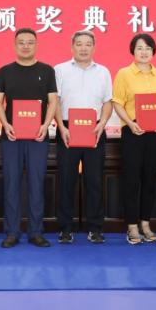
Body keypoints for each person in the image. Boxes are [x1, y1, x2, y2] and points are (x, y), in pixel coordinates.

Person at [0, 28, 58, 248]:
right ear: (15, 45)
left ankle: (35, 231)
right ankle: (12, 232)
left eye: (30, 42)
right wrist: (6, 124)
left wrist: (45, 125)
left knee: (36, 184)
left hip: (38, 137)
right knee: (11, 183)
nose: (25, 46)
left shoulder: (47, 71)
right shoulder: (4, 71)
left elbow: (53, 101)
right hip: (11, 136)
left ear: (36, 45)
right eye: (21, 42)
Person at [54, 31, 113, 244]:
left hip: (94, 129)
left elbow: (108, 102)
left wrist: (102, 124)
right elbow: (55, 101)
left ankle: (95, 228)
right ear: (72, 47)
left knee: (94, 181)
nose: (83, 48)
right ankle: (65, 228)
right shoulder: (60, 70)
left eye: (88, 44)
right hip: (68, 129)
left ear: (94, 48)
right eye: (79, 44)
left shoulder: (103, 72)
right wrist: (61, 126)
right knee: (66, 180)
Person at [111, 33, 156, 245]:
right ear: (132, 51)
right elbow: (117, 102)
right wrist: (129, 122)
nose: (144, 52)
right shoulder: (124, 74)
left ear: (153, 51)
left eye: (148, 48)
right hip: (133, 131)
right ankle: (132, 226)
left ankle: (145, 223)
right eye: (139, 48)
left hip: (155, 134)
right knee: (132, 179)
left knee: (150, 179)